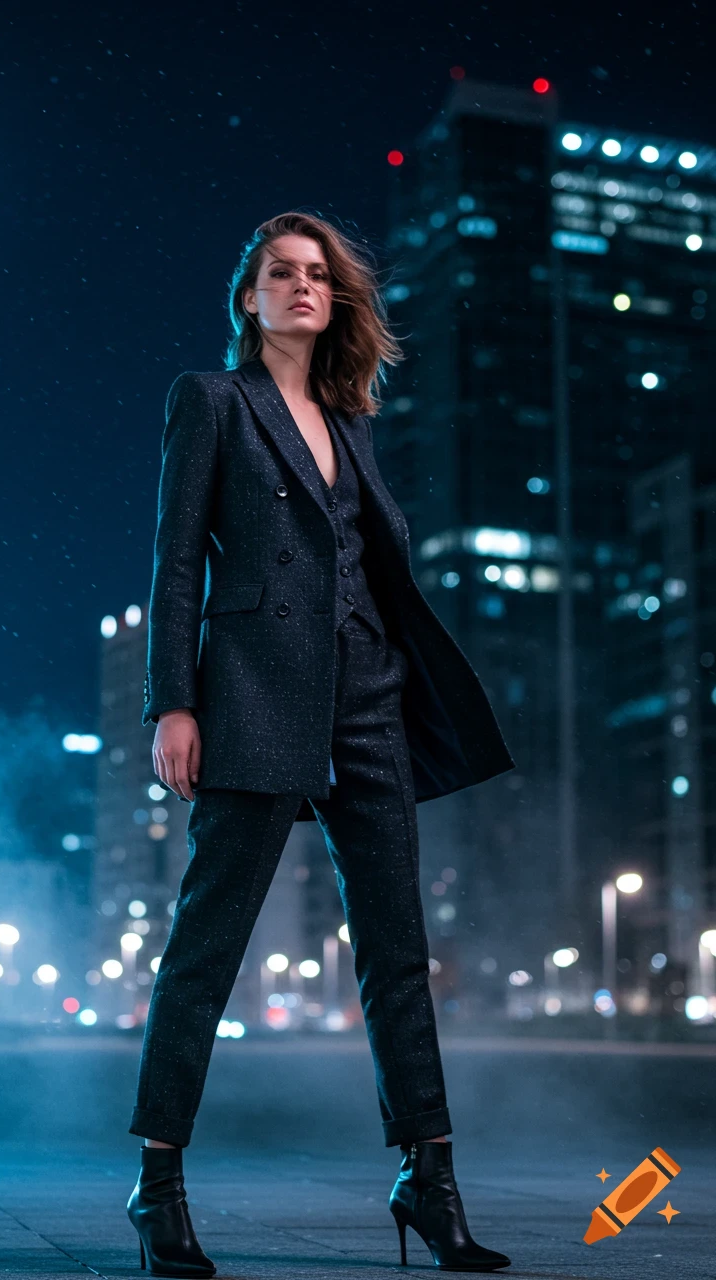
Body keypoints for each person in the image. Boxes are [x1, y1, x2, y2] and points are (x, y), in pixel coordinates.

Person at [126, 211, 515, 1277]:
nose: (302, 285)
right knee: (207, 944)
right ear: (249, 298)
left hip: (370, 693)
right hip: (254, 693)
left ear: (335, 298)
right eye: (280, 272)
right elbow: (174, 561)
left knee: (396, 948)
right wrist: (173, 702)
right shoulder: (211, 400)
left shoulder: (351, 419)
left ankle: (429, 1178)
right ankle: (158, 1184)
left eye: (317, 274)